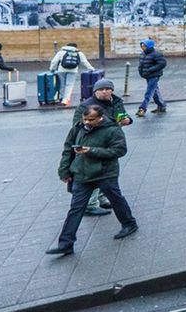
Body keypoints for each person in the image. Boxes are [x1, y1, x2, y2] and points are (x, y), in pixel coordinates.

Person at [46, 105, 138, 256]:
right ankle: (66, 244)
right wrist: (64, 170)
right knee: (76, 208)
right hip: (81, 174)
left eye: (91, 120)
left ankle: (129, 223)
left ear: (100, 118)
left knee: (116, 199)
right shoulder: (78, 128)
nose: (87, 122)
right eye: (85, 119)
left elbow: (120, 151)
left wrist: (91, 151)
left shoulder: (113, 129)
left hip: (105, 173)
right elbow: (68, 149)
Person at [70, 78, 132, 215]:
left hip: (110, 141)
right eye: (101, 90)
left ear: (112, 90)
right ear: (95, 92)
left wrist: (127, 120)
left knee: (106, 171)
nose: (104, 92)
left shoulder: (116, 101)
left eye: (107, 89)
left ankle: (102, 198)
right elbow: (77, 125)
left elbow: (123, 115)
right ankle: (91, 205)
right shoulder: (86, 105)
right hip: (92, 142)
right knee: (94, 172)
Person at [135, 39, 168, 117]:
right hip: (147, 75)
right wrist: (141, 72)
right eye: (141, 46)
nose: (142, 47)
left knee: (149, 92)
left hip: (154, 76)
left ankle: (142, 108)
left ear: (149, 46)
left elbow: (162, 63)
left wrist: (150, 70)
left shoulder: (156, 54)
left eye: (144, 46)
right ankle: (162, 106)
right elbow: (141, 64)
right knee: (155, 91)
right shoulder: (143, 54)